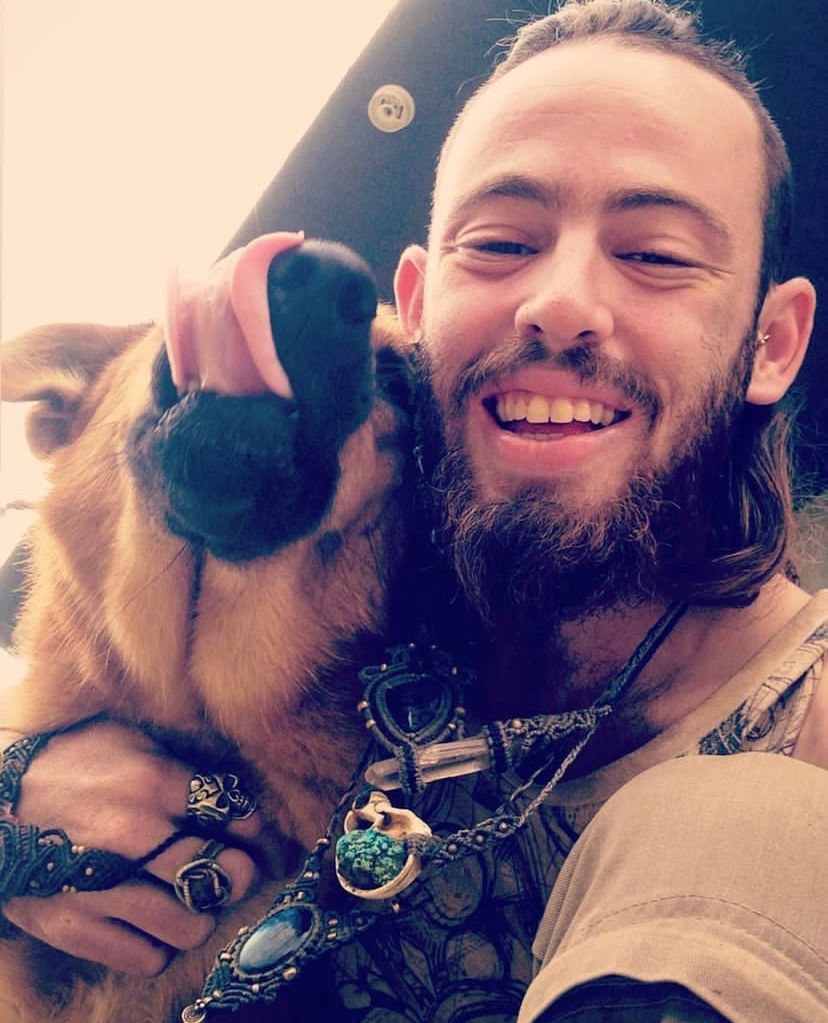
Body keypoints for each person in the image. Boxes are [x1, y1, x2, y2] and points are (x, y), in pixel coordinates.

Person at [1, 0, 826, 1020]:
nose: (561, 302)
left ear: (771, 344)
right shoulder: (366, 588)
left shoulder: (806, 719)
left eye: (655, 253)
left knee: (739, 825)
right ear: (420, 308)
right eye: (501, 241)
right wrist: (15, 794)